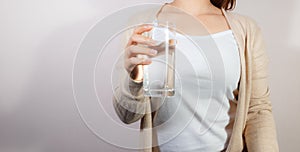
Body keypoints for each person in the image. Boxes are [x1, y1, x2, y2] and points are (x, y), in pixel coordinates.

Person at [113, 0, 279, 151]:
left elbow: (258, 112)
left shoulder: (246, 30)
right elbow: (127, 116)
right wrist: (135, 79)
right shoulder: (142, 26)